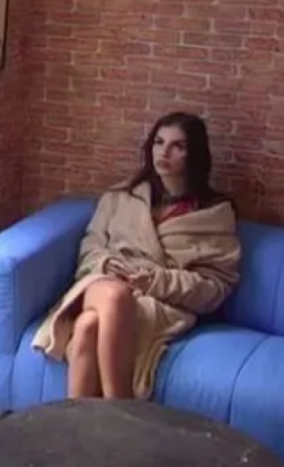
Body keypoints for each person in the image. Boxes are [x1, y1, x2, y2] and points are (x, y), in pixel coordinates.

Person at [33, 111, 242, 401]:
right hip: (103, 283)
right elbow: (91, 246)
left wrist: (155, 281)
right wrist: (107, 263)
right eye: (159, 142)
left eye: (178, 146)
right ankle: (122, 408)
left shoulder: (213, 215)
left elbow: (214, 287)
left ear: (194, 155)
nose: (164, 153)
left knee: (87, 326)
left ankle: (81, 426)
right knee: (115, 295)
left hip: (159, 302)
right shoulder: (121, 196)